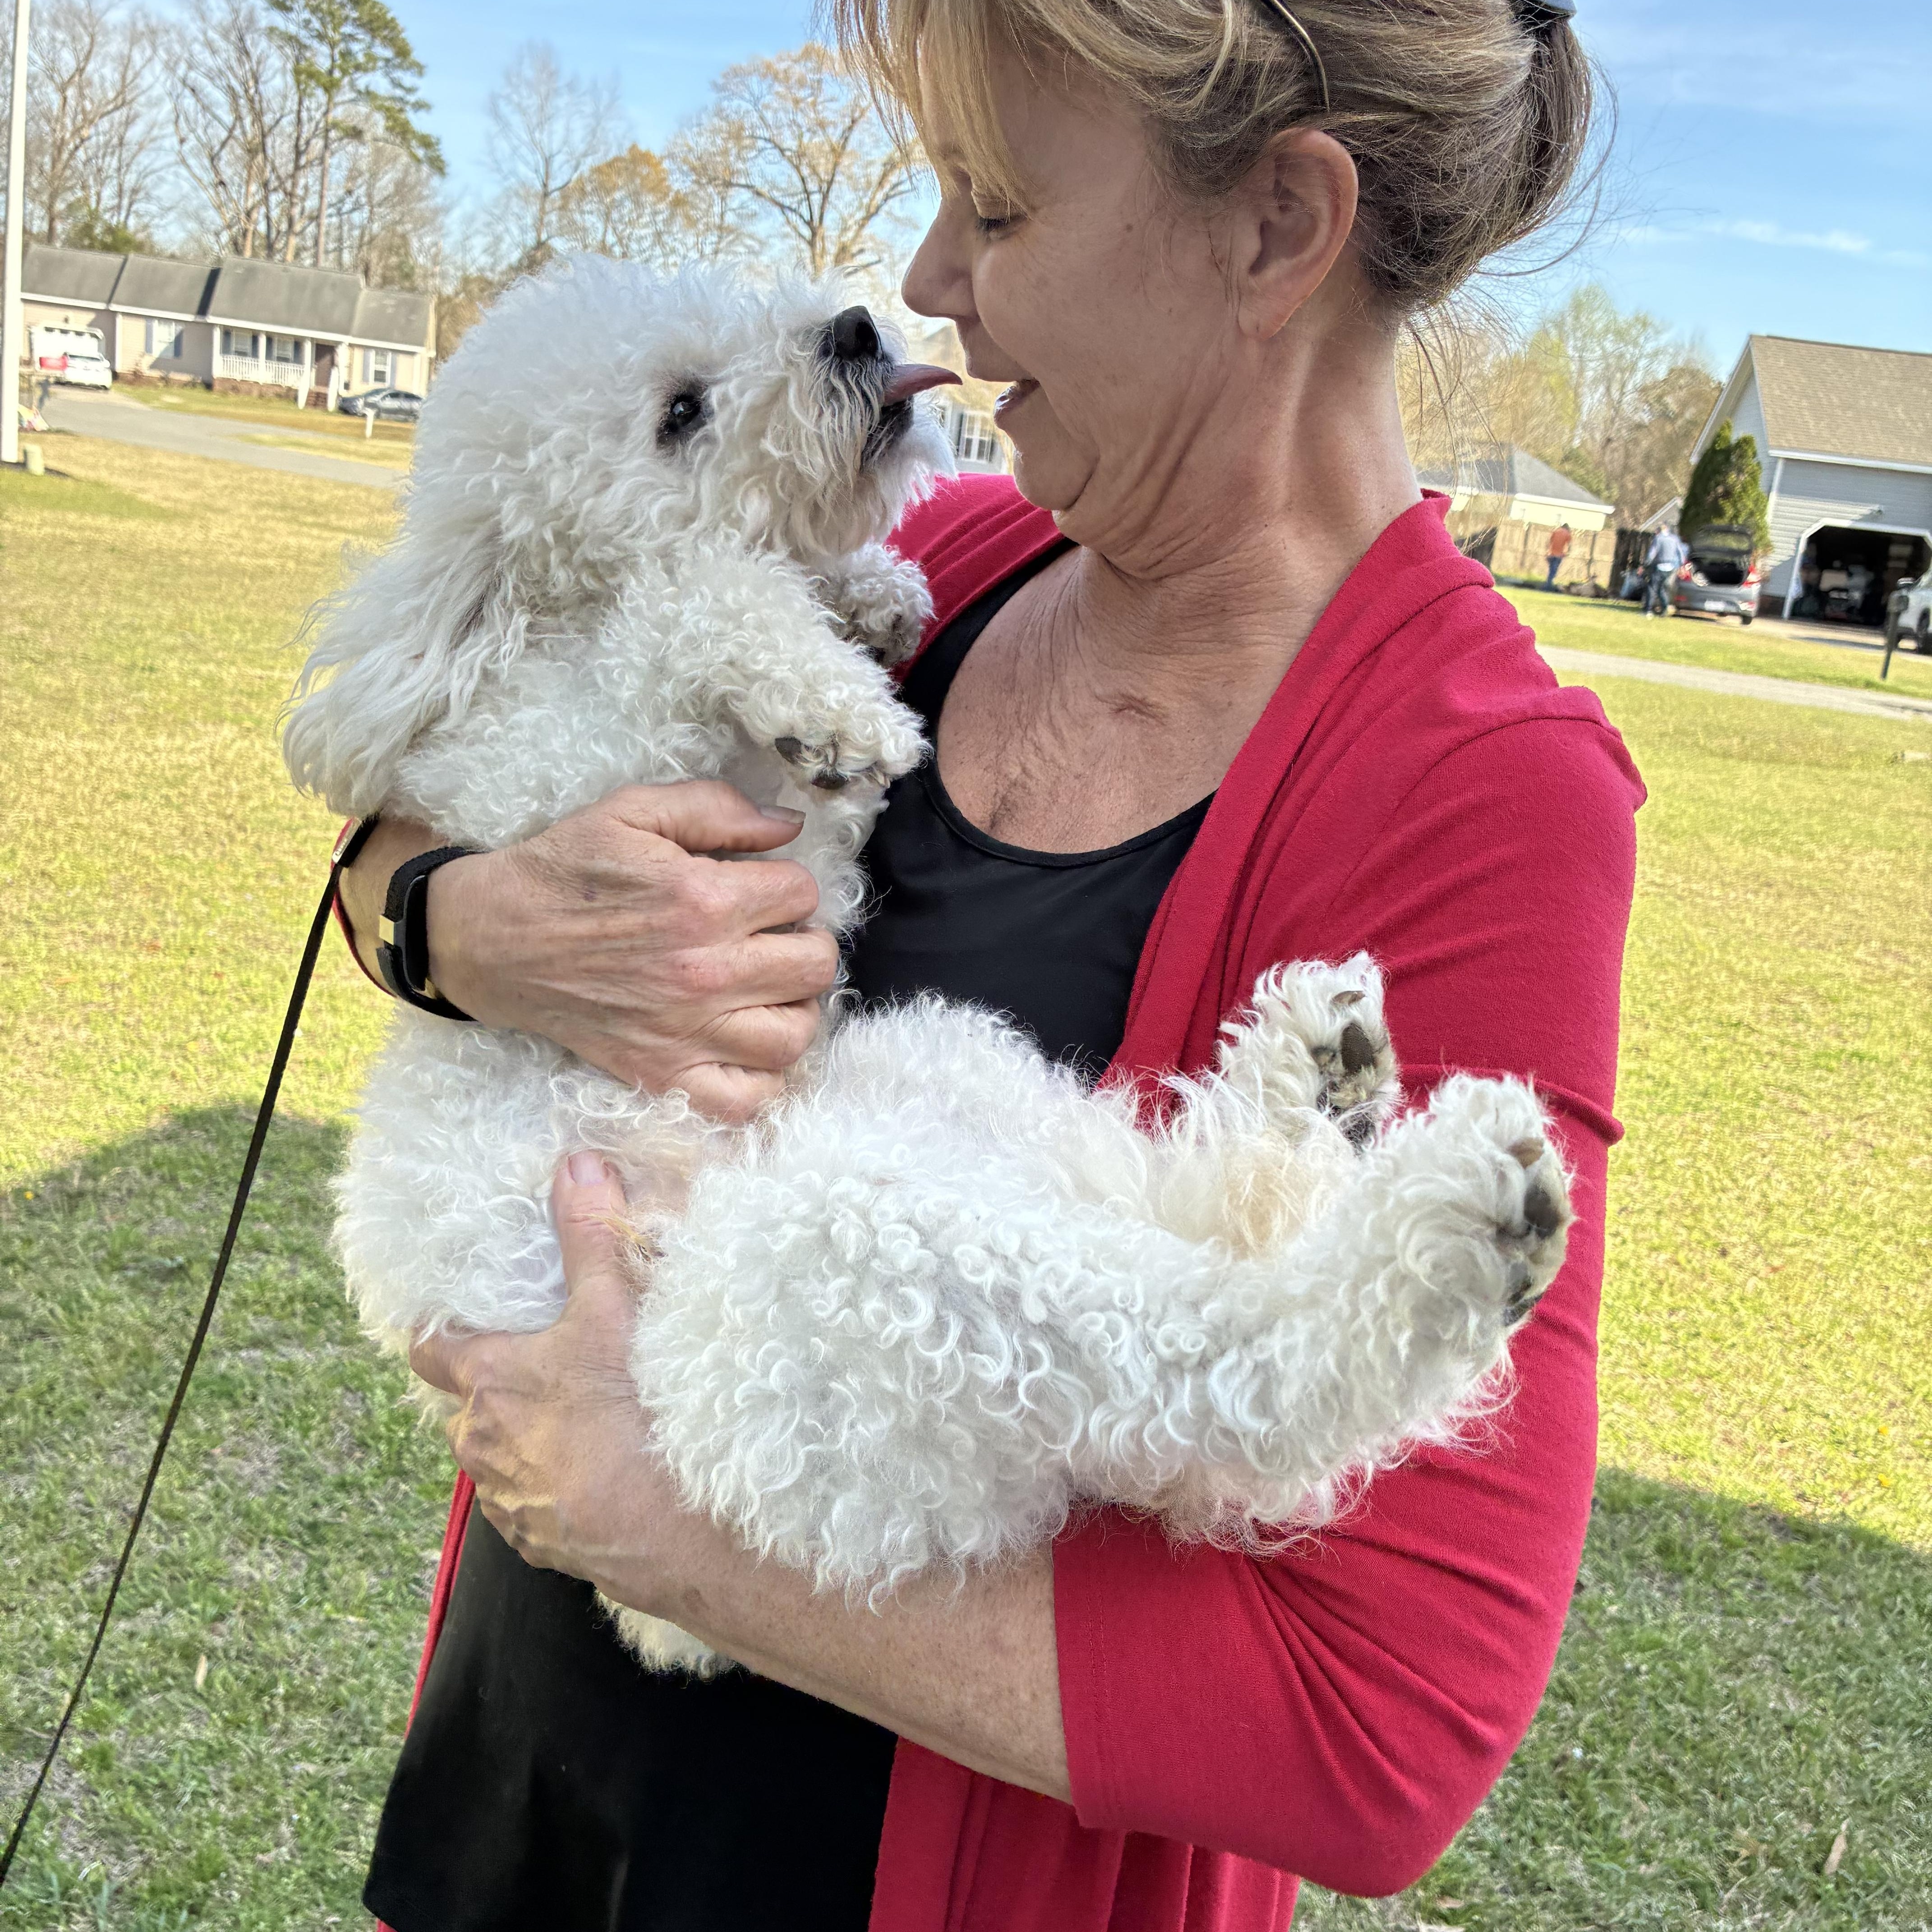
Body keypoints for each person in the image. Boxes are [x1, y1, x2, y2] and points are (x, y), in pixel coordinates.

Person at [330, 2, 1642, 1927]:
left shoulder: (1479, 789)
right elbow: (405, 793)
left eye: (996, 206)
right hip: (531, 1791)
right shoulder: (944, 557)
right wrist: (462, 917)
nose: (929, 283)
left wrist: (651, 1517)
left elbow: (1375, 1725)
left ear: (1275, 227)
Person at [1643, 524, 1690, 616]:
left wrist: (1646, 564)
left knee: (1652, 588)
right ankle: (1665, 608)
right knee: (1662, 589)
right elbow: (1680, 553)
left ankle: (1648, 611)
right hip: (1672, 568)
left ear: (1659, 531)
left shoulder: (1659, 539)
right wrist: (1681, 566)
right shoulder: (1675, 539)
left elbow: (1652, 553)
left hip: (1661, 566)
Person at [1545, 521, 1573, 589]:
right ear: (1567, 528)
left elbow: (1549, 542)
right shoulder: (1568, 534)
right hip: (1559, 555)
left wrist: (1547, 552)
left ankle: (1548, 583)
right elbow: (1569, 545)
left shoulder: (1556, 532)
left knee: (1551, 570)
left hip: (1551, 554)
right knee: (1554, 570)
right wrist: (1567, 553)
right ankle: (1549, 585)